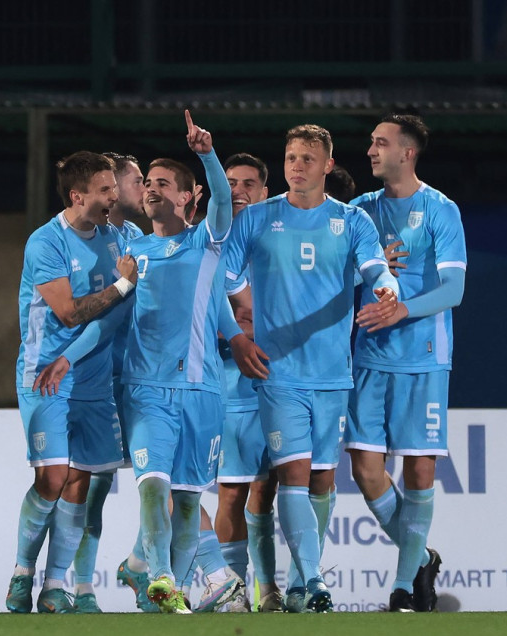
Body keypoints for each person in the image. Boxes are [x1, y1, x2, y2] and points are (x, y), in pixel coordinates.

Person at [37, 111, 267, 614]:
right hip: (146, 393)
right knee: (152, 485)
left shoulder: (209, 242)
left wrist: (206, 152)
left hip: (204, 395)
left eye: (164, 183)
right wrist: (66, 358)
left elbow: (224, 202)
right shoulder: (134, 253)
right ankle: (160, 575)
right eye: (149, 184)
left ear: (188, 198)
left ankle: (172, 596)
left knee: (187, 505)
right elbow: (109, 323)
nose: (152, 189)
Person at [224, 124, 400, 613]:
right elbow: (225, 279)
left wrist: (389, 288)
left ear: (327, 164)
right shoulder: (257, 218)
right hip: (278, 374)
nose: (297, 165)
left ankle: (302, 586)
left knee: (323, 479)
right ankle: (315, 580)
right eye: (290, 157)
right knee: (294, 475)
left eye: (307, 158)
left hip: (332, 373)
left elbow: (375, 268)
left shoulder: (353, 221)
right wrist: (241, 331)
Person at [6, 151, 137, 614]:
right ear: (78, 195)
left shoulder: (117, 237)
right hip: (44, 375)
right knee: (52, 478)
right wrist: (122, 286)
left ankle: (54, 586)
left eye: (114, 188)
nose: (114, 196)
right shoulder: (46, 242)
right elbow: (67, 311)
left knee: (79, 483)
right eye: (105, 190)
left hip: (96, 381)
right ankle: (23, 572)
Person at [345, 113, 466, 612]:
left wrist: (402, 308)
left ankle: (401, 588)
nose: (371, 150)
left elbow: (454, 290)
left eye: (381, 143)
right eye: (371, 142)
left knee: (418, 472)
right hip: (370, 357)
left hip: (424, 357)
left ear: (407, 152)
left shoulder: (441, 209)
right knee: (367, 469)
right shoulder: (357, 212)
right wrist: (364, 269)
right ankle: (419, 560)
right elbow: (336, 276)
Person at [71, 152, 146, 613]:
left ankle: (143, 565)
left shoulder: (139, 237)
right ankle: (78, 587)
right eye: (137, 181)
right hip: (95, 377)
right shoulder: (72, 238)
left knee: (163, 477)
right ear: (111, 189)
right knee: (91, 489)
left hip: (139, 379)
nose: (146, 188)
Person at [213, 152, 284, 612]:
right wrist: (236, 330)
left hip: (280, 379)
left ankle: (269, 588)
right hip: (228, 379)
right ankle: (233, 588)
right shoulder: (212, 241)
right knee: (233, 489)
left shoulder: (278, 239)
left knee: (268, 488)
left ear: (264, 190)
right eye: (231, 183)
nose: (239, 190)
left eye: (248, 183)